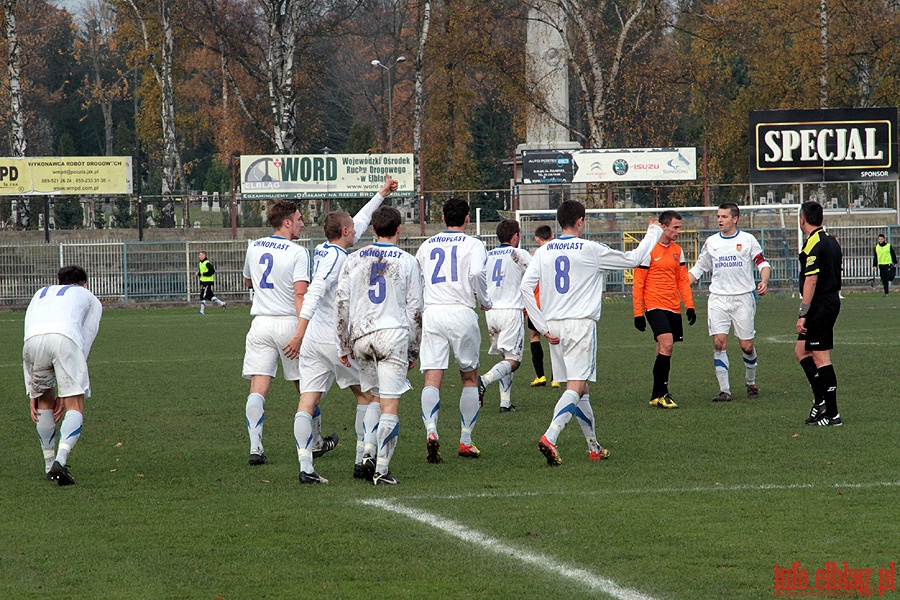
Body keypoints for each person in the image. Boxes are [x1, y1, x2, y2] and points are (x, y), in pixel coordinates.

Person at [521, 200, 662, 466]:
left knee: (581, 387)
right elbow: (633, 259)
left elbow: (526, 288)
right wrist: (652, 232)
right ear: (580, 221)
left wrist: (540, 325)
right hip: (580, 324)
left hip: (553, 326)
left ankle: (594, 447)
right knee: (576, 385)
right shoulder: (590, 248)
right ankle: (550, 436)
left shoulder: (544, 250)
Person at [292, 175, 397, 484]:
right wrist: (298, 332)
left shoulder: (326, 249)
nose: (358, 230)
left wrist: (381, 193)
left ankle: (305, 468)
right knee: (371, 397)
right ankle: (361, 459)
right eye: (352, 228)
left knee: (307, 401)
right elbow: (314, 291)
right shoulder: (337, 259)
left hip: (313, 342)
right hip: (330, 338)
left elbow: (361, 220)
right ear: (344, 232)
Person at [336, 206, 423, 485]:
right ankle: (381, 470)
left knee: (372, 396)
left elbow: (341, 303)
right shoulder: (408, 261)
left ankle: (366, 454)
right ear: (399, 229)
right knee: (389, 404)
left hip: (361, 335)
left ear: (373, 229)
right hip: (392, 335)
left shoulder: (353, 259)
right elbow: (416, 310)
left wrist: (343, 343)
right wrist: (414, 349)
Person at [416, 197, 492, 463]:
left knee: (432, 377)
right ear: (467, 218)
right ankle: (466, 441)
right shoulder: (474, 244)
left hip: (433, 312)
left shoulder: (426, 245)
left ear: (444, 218)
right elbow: (477, 274)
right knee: (469, 378)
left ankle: (431, 431)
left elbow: (419, 281)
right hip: (461, 312)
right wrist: (485, 300)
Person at [241, 200, 310, 468]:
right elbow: (300, 293)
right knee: (306, 386)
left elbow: (248, 281)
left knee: (258, 388)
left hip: (260, 324)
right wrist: (302, 331)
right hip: (288, 324)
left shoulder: (254, 246)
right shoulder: (298, 252)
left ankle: (255, 446)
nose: (303, 223)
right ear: (287, 222)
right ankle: (314, 442)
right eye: (300, 218)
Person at [23, 265, 103, 486]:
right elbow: (85, 339)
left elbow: (29, 328)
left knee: (44, 402)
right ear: (84, 284)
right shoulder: (88, 297)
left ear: (58, 281)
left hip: (31, 342)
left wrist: (33, 389)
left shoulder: (41, 293)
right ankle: (60, 461)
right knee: (74, 404)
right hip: (65, 339)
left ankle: (49, 465)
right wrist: (68, 385)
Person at [688, 203, 771, 402]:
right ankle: (725, 390)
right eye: (718, 216)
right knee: (719, 343)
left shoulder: (747, 240)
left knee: (746, 346)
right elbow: (699, 268)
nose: (720, 220)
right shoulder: (712, 242)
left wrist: (764, 281)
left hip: (743, 298)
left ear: (735, 219)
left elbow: (762, 263)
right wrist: (678, 286)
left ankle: (750, 381)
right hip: (718, 299)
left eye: (724, 216)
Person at [632, 210, 696, 409]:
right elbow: (638, 283)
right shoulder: (649, 251)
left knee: (663, 349)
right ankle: (663, 393)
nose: (678, 231)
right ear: (664, 226)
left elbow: (683, 281)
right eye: (675, 227)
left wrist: (690, 306)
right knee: (667, 344)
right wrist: (638, 313)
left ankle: (655, 394)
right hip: (654, 306)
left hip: (673, 307)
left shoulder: (678, 251)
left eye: (680, 227)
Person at [796, 201, 843, 426]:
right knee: (801, 350)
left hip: (820, 304)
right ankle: (820, 400)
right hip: (827, 301)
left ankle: (833, 414)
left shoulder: (816, 244)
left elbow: (811, 280)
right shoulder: (831, 241)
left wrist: (803, 312)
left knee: (821, 356)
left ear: (802, 219)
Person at [478, 219, 532, 412]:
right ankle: (484, 380)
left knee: (505, 357)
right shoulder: (518, 254)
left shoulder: (487, 255)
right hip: (511, 311)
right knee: (514, 361)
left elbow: (477, 278)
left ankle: (505, 403)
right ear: (515, 236)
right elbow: (535, 274)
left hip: (491, 312)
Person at [526, 225, 559, 388]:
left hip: (536, 305)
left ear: (537, 239)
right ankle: (556, 377)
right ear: (552, 236)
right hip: (553, 304)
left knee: (534, 337)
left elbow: (528, 285)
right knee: (555, 339)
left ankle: (540, 376)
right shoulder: (559, 255)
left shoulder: (534, 257)